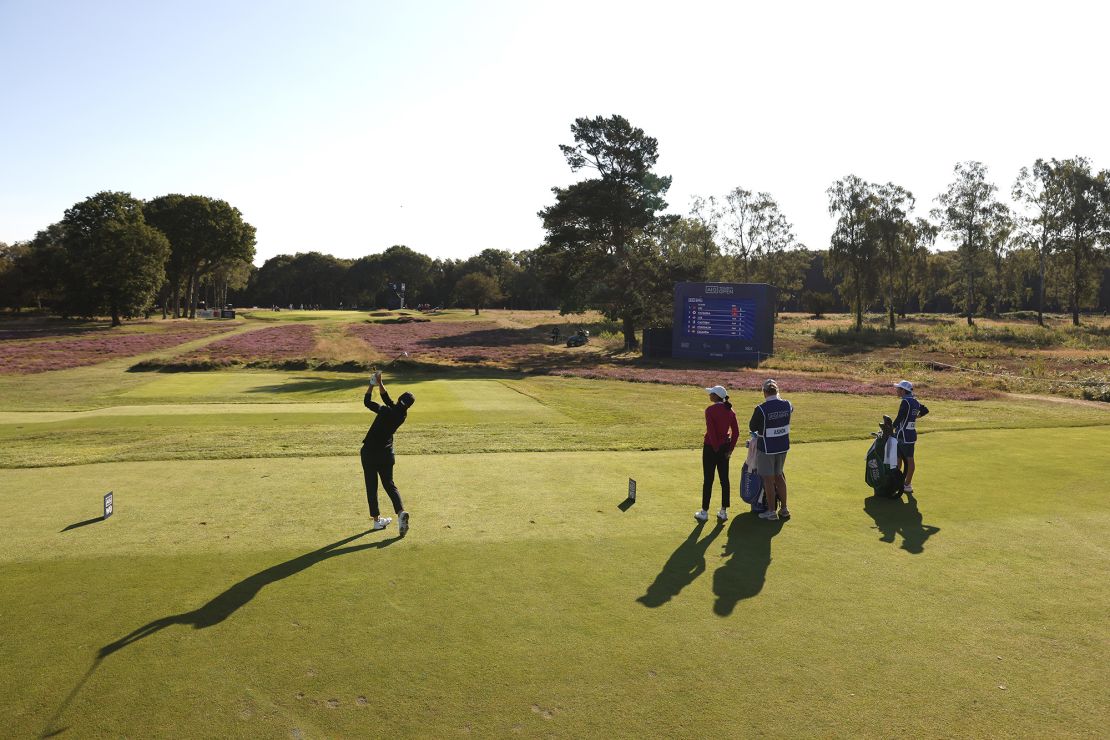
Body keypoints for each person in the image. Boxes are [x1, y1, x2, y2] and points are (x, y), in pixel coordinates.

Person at [362, 371, 415, 534]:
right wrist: (380, 382)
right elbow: (389, 401)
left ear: (399, 399)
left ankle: (377, 521)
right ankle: (400, 512)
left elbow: (367, 401)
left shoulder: (384, 411)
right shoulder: (402, 415)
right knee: (389, 485)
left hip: (369, 453)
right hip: (386, 455)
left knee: (372, 486)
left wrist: (372, 384)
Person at [749, 379, 792, 521]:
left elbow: (752, 427)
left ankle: (772, 511)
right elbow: (790, 409)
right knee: (779, 476)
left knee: (768, 479)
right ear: (777, 391)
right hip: (782, 446)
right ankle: (784, 509)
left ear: (764, 392)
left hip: (767, 448)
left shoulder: (761, 408)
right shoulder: (787, 404)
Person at [696, 385, 740, 524]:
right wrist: (729, 450)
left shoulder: (710, 410)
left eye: (711, 394)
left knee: (708, 479)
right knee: (724, 480)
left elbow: (711, 431)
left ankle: (704, 512)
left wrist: (715, 448)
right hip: (724, 449)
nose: (709, 396)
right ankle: (723, 511)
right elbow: (736, 433)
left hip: (710, 448)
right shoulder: (730, 411)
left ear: (716, 396)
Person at [893, 380, 929, 494]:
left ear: (903, 390)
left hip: (903, 435)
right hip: (910, 435)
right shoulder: (914, 401)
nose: (896, 390)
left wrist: (890, 428)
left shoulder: (905, 402)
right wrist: (914, 417)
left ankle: (907, 484)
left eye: (898, 389)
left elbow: (899, 418)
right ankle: (899, 482)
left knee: (907, 460)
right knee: (901, 458)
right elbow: (925, 410)